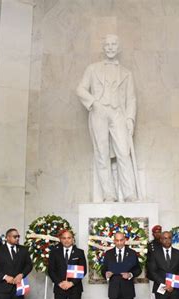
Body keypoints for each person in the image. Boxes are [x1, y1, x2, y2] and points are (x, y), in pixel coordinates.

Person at [76, 34, 138, 202]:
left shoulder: (126, 73)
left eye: (114, 44)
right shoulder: (92, 68)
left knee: (124, 153)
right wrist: (93, 103)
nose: (110, 47)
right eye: (108, 44)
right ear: (104, 48)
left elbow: (131, 99)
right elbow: (81, 89)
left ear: (118, 48)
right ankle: (108, 193)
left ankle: (129, 193)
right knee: (101, 153)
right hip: (99, 111)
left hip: (118, 113)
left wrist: (130, 119)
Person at [0, 228, 32, 299]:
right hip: (2, 289)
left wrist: (22, 274)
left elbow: (29, 265)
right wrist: (5, 277)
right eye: (15, 236)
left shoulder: (23, 249)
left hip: (18, 287)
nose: (17, 238)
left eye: (18, 236)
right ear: (8, 238)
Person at [101, 231, 142, 299]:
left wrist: (130, 274)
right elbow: (103, 269)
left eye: (121, 240)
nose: (119, 243)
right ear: (114, 241)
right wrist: (106, 274)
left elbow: (138, 269)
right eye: (117, 240)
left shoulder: (132, 253)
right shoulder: (108, 254)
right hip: (113, 291)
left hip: (128, 291)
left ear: (125, 240)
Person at [47, 230, 87, 299]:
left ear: (73, 239)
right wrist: (59, 283)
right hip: (60, 288)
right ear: (60, 239)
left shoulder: (79, 252)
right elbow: (51, 270)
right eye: (64, 238)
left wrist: (71, 283)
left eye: (69, 238)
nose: (66, 240)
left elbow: (83, 270)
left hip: (75, 288)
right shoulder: (54, 252)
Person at [148, 231, 179, 299]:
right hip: (161, 289)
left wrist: (172, 284)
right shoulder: (155, 254)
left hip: (175, 289)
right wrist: (166, 284)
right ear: (161, 240)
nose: (167, 240)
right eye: (165, 238)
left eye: (169, 238)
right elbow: (153, 271)